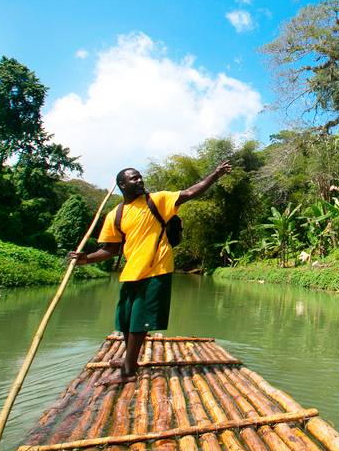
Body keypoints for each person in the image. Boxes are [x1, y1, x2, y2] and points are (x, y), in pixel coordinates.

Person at [68, 160, 232, 385]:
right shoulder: (115, 215)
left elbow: (191, 192)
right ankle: (130, 362)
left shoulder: (157, 200)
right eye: (133, 178)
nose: (140, 180)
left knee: (138, 322)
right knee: (125, 321)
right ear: (122, 185)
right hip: (131, 272)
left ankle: (127, 373)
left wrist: (215, 175)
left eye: (139, 176)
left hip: (157, 268)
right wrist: (85, 259)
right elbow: (109, 250)